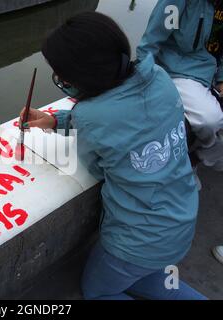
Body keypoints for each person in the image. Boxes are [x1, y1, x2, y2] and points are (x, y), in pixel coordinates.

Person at [20, 11, 207, 299]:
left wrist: (77, 120)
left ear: (81, 77)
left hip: (136, 241)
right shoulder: (158, 77)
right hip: (183, 219)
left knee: (96, 292)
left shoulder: (90, 116)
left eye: (61, 74)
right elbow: (127, 120)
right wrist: (56, 120)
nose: (59, 78)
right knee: (146, 278)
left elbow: (96, 169)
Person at [137, 0, 223, 267]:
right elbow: (149, 45)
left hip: (209, 73)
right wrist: (148, 84)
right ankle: (196, 161)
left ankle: (193, 164)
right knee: (210, 118)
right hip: (175, 72)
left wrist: (221, 79)